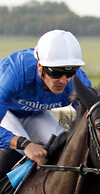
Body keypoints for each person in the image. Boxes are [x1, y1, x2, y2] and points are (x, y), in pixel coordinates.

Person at [0, 30, 92, 174]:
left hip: (34, 113)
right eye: (55, 73)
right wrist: (25, 144)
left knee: (64, 150)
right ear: (40, 67)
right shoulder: (14, 75)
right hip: (5, 113)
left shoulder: (76, 81)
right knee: (18, 154)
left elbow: (93, 116)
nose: (63, 80)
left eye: (70, 72)